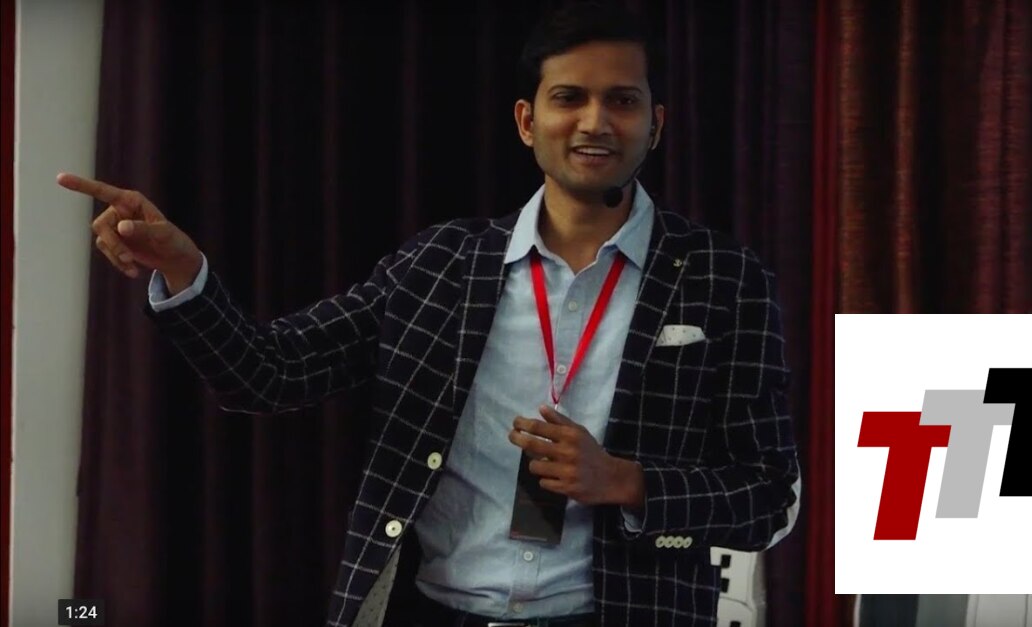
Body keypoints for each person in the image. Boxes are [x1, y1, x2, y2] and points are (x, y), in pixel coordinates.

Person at [58, 3, 800, 626]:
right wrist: (185, 270)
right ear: (527, 120)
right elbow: (267, 374)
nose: (595, 121)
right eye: (569, 97)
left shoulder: (723, 279)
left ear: (656, 123)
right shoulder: (441, 266)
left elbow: (767, 496)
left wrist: (626, 481)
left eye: (623, 100)